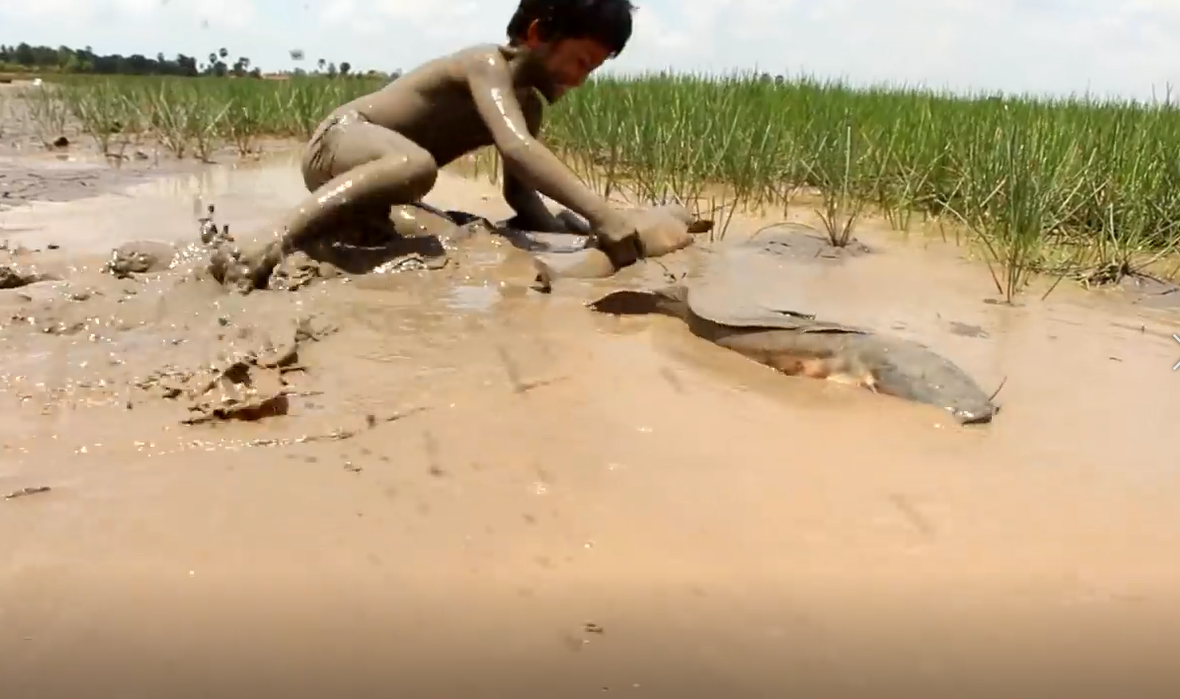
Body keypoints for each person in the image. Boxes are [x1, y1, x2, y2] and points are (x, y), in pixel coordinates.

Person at [214, 0, 675, 291]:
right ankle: (276, 236)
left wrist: (576, 232)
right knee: (417, 165)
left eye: (592, 69)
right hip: (339, 142)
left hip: (386, 180)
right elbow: (518, 152)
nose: (580, 79)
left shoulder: (528, 108)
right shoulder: (483, 63)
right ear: (537, 35)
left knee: (438, 222)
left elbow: (519, 194)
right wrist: (604, 213)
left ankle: (340, 233)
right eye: (579, 60)